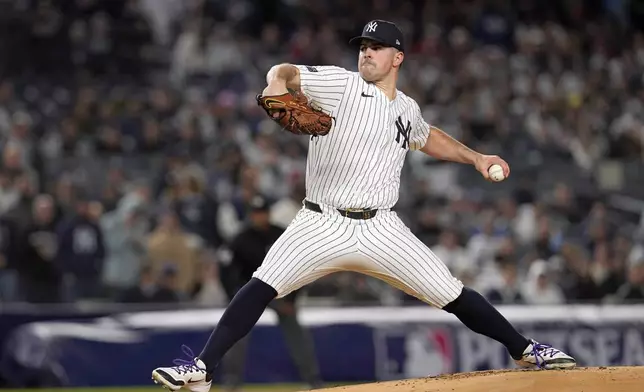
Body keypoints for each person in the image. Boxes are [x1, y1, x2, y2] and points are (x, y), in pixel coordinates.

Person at [152, 20, 575, 392]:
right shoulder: (341, 83)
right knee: (260, 286)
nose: (366, 52)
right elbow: (284, 71)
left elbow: (427, 137)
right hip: (321, 222)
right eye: (362, 46)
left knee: (453, 294)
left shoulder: (407, 107)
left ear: (398, 58)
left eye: (376, 47)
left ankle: (523, 349)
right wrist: (278, 84)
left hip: (381, 229)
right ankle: (202, 369)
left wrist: (477, 158)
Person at [219, 195, 322, 391]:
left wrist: (293, 298)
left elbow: (300, 266)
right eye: (256, 214)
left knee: (296, 333)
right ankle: (232, 381)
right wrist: (234, 296)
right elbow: (226, 270)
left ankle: (313, 379)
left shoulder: (281, 235)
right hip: (250, 294)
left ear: (268, 213)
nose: (260, 217)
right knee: (234, 333)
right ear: (251, 215)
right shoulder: (241, 239)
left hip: (280, 293)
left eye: (263, 213)